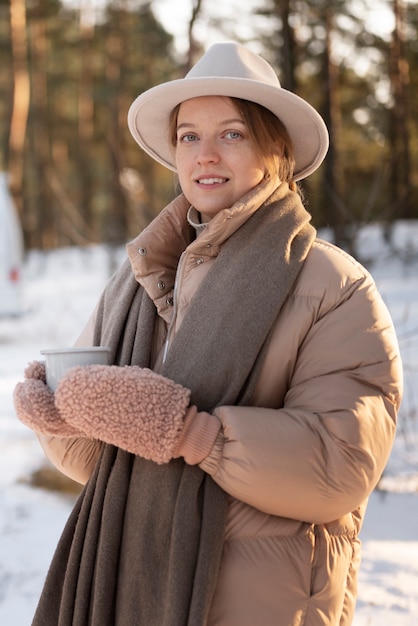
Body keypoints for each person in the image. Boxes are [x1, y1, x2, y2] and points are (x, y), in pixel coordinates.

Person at [14, 42, 402, 626]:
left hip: (260, 603)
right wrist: (62, 417)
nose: (205, 154)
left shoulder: (333, 284)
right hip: (129, 591)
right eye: (189, 136)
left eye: (233, 134)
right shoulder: (140, 279)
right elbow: (102, 463)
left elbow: (341, 467)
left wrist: (193, 433)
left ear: (276, 149)